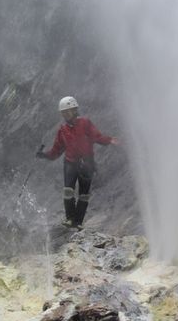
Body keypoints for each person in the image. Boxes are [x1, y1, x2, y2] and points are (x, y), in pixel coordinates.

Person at [36, 96, 119, 228]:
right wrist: (44, 155)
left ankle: (78, 222)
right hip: (70, 163)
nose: (65, 114)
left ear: (75, 110)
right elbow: (56, 151)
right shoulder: (62, 130)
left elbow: (97, 136)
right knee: (68, 191)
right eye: (63, 112)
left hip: (87, 163)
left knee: (84, 195)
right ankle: (70, 218)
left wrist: (109, 140)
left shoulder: (85, 123)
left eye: (67, 111)